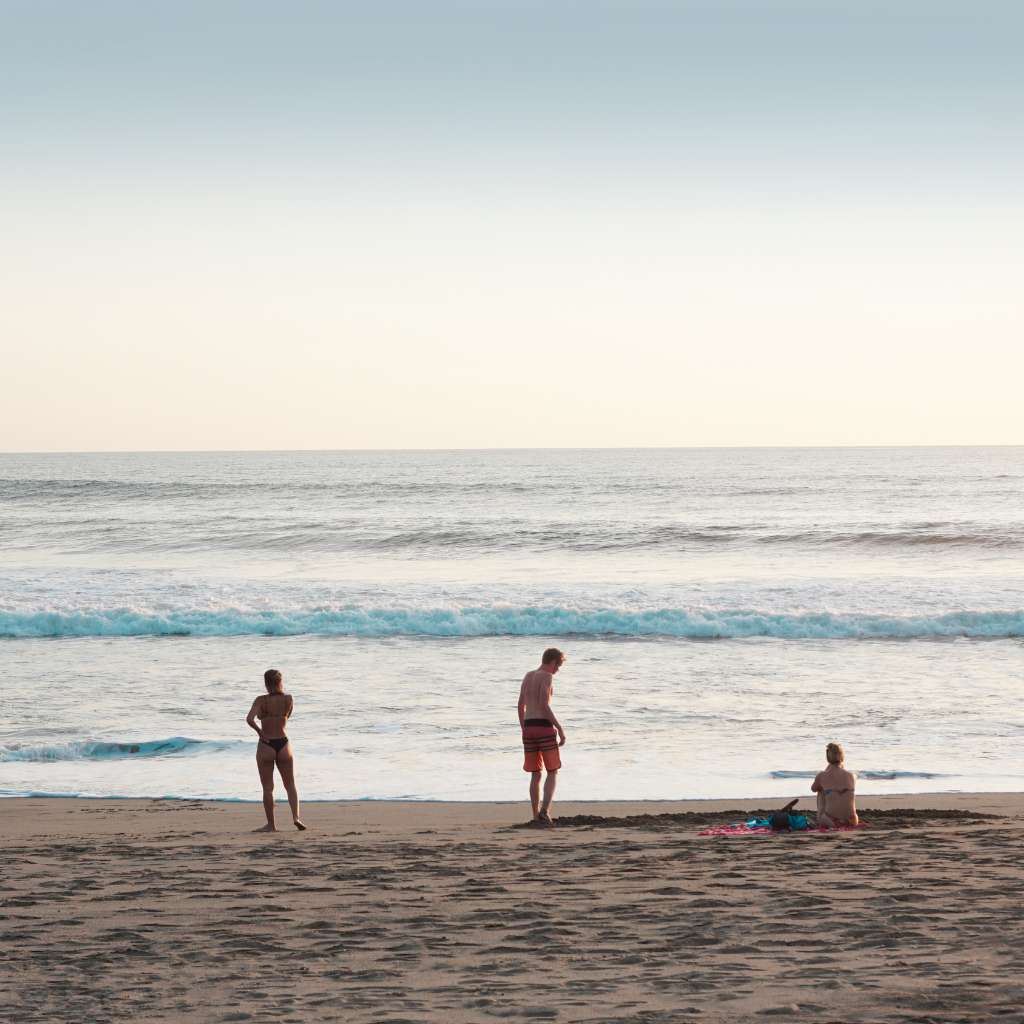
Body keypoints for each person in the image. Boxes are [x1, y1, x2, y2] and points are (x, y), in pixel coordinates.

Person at [246, 669, 306, 832]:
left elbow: (249, 719)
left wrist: (260, 732)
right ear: (280, 682)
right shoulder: (288, 699)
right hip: (283, 743)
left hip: (266, 744)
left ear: (266, 684)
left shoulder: (261, 700)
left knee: (267, 788)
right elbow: (287, 717)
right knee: (291, 785)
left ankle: (271, 825)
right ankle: (296, 817)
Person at [517, 648, 567, 827]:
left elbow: (520, 705)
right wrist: (559, 728)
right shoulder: (546, 676)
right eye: (558, 666)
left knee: (535, 773)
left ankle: (535, 815)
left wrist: (524, 728)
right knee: (552, 770)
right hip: (543, 727)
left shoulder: (528, 676)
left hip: (529, 727)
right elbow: (544, 706)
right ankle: (545, 811)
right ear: (552, 662)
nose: (557, 670)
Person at [811, 742, 858, 828]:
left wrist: (827, 770)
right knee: (843, 793)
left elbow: (813, 789)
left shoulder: (822, 775)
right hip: (852, 820)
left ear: (828, 757)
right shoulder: (852, 775)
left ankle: (822, 815)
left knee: (820, 790)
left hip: (832, 821)